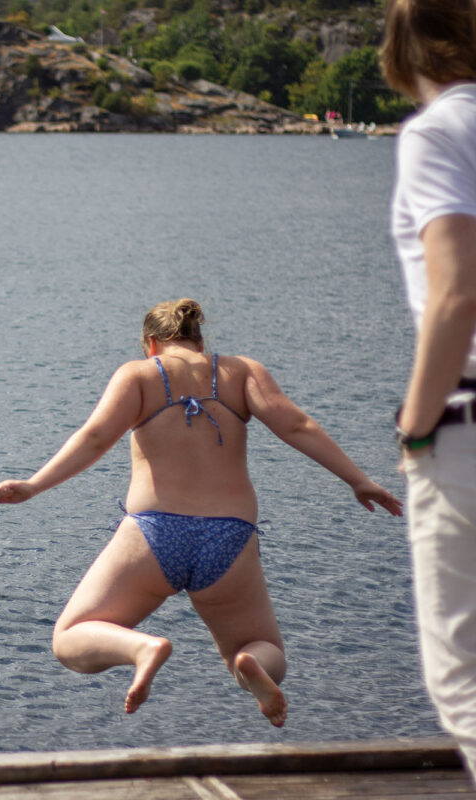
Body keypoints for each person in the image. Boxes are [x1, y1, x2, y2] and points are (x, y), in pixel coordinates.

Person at [0, 299, 402, 727]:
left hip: (154, 533)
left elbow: (94, 438)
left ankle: (141, 649)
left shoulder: (140, 374)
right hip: (230, 537)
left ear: (151, 344)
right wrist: (357, 479)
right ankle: (248, 665)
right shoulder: (241, 373)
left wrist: (35, 484)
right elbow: (297, 426)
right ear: (200, 340)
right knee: (263, 648)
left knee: (70, 639)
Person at [381, 0, 476, 776]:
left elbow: (455, 292)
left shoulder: (439, 131)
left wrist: (416, 425)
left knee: (464, 679)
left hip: (466, 426)